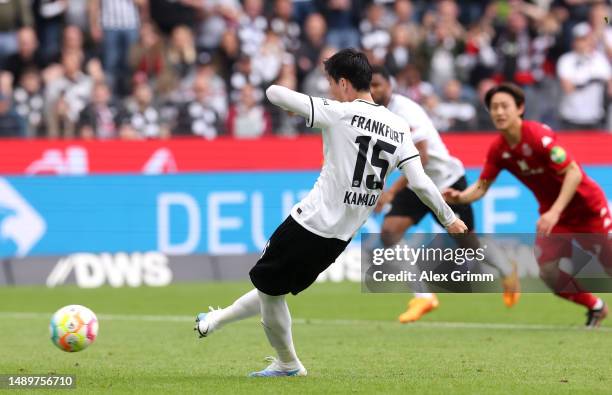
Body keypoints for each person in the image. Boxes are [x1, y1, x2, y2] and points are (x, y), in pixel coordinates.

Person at [194, 49, 467, 377]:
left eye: (330, 84)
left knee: (270, 290)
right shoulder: (398, 126)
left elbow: (273, 93)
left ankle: (287, 363)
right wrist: (449, 217)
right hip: (338, 238)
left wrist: (309, 98)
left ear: (343, 83)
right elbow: (421, 182)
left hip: (309, 221)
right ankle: (217, 320)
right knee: (272, 287)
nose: (329, 92)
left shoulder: (338, 112)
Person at [444, 82, 611, 328]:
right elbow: (481, 187)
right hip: (554, 216)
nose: (499, 112)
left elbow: (573, 173)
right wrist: (459, 197)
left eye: (504, 106)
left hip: (587, 209)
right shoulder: (499, 149)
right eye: (494, 107)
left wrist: (554, 211)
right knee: (548, 272)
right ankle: (595, 307)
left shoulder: (538, 136)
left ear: (520, 108)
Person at [370, 66, 519, 323]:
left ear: (389, 86)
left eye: (377, 85)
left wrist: (392, 191)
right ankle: (423, 297)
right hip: (418, 185)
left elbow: (421, 158)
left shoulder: (406, 111)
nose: (373, 91)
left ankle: (507, 269)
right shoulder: (374, 115)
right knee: (390, 232)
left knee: (467, 243)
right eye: (369, 86)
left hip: (445, 182)